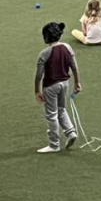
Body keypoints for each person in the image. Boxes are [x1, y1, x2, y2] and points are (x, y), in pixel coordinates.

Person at [34, 21, 81, 153]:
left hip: (50, 86)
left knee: (51, 115)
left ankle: (54, 144)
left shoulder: (45, 53)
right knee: (61, 109)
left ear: (47, 37)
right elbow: (74, 67)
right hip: (65, 84)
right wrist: (77, 82)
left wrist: (37, 90)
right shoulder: (67, 47)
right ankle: (70, 132)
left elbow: (39, 75)